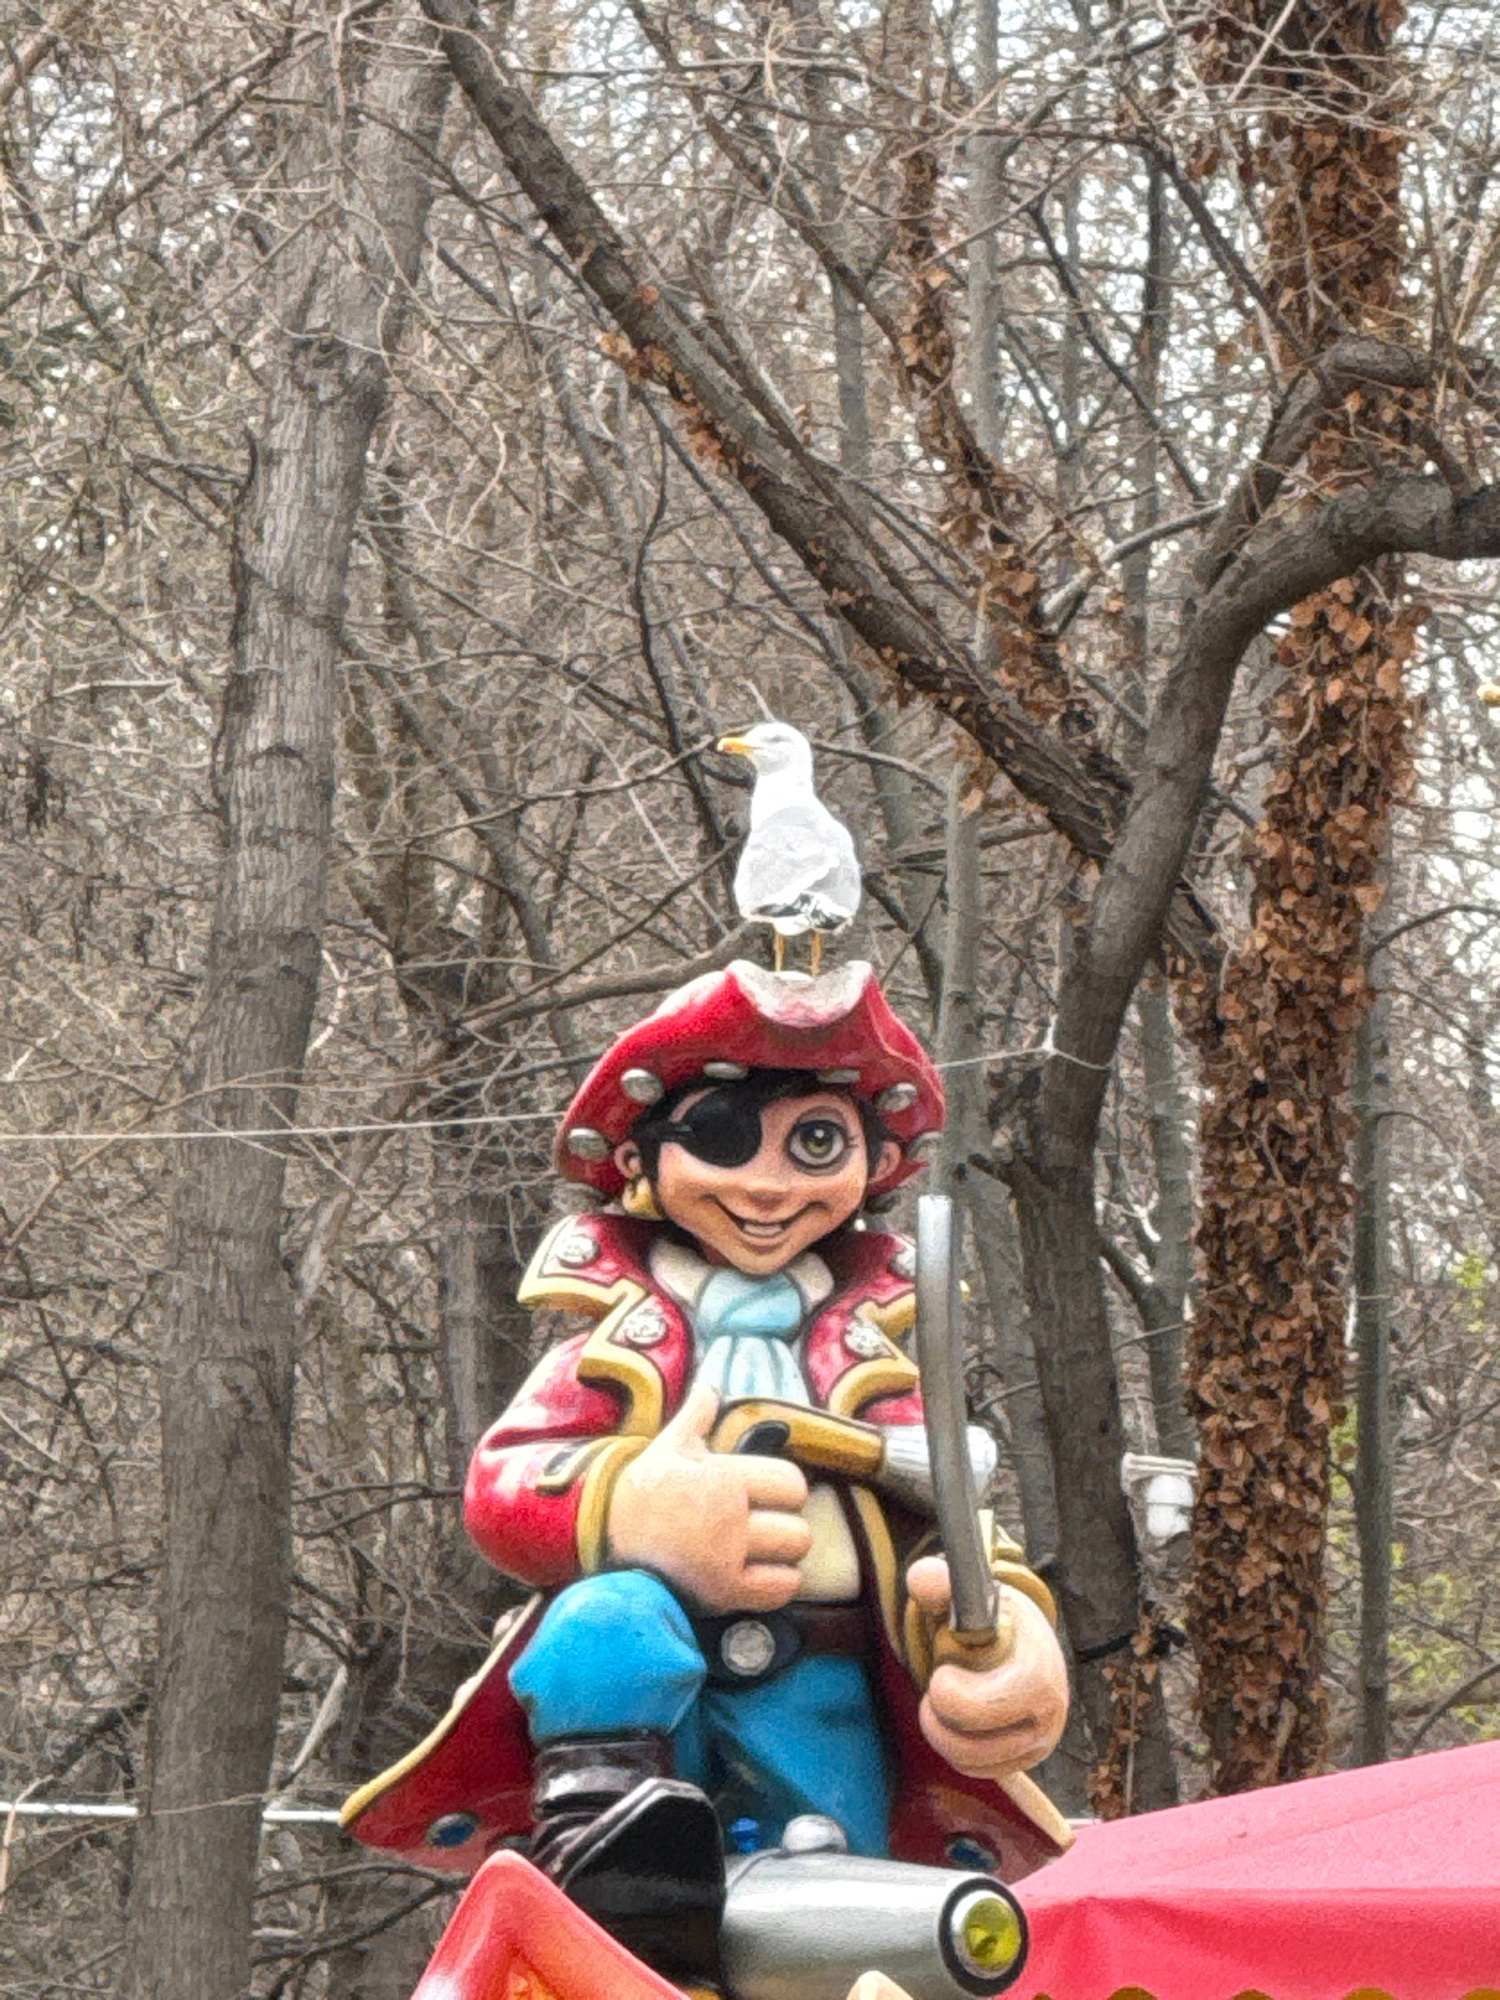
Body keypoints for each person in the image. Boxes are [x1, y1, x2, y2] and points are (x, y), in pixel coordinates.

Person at [342, 958, 1068, 1986]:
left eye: (815, 1142)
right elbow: (506, 1481)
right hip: (648, 1698)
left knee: (829, 1923)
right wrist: (634, 1508)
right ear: (639, 1159)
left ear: (872, 1162)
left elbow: (950, 1517)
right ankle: (610, 1882)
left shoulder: (874, 1367)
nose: (766, 1183)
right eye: (721, 1137)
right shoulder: (615, 1346)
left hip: (824, 1693)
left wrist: (1007, 1637)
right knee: (604, 1622)